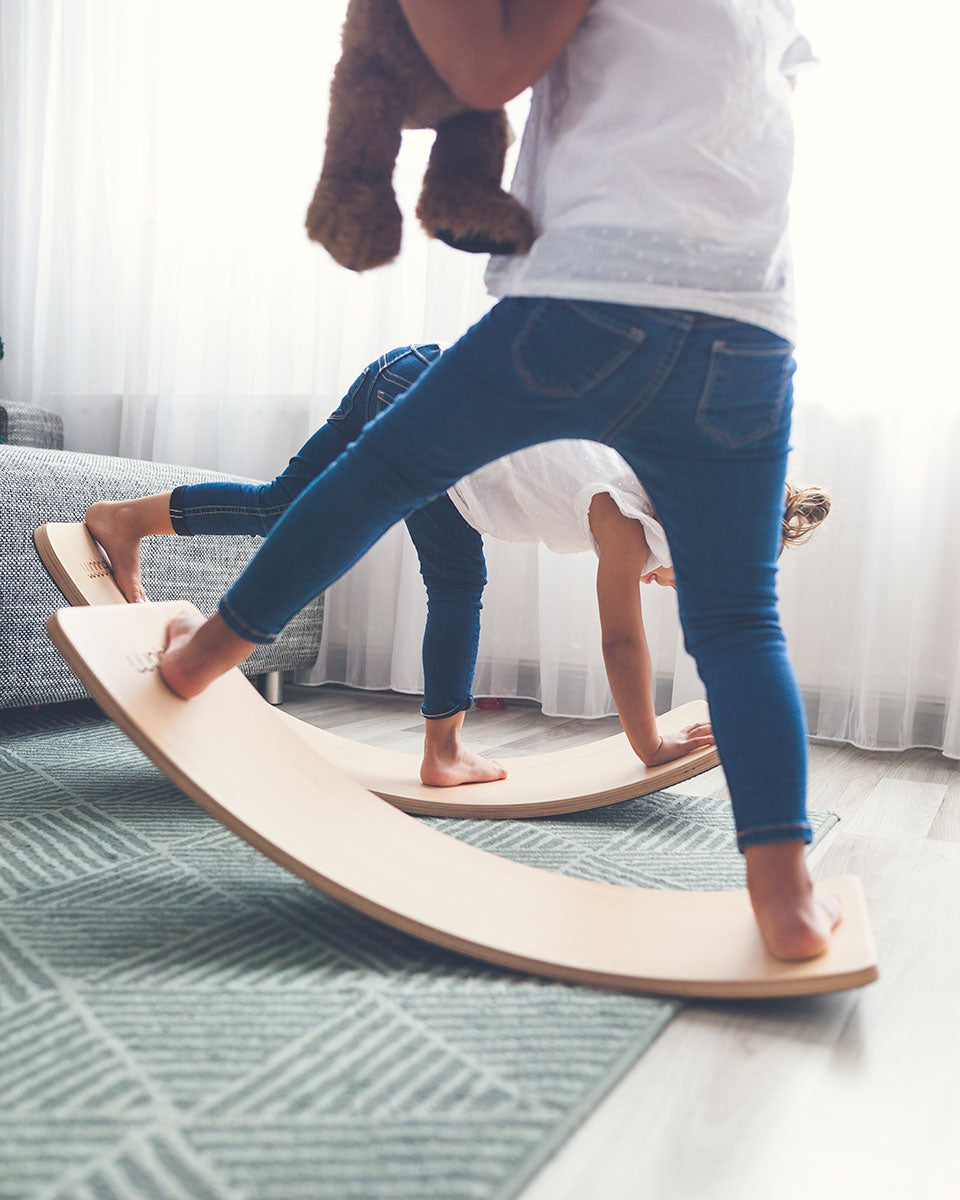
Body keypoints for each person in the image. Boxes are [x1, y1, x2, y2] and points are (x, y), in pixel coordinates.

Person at [138, 0, 838, 962]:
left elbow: (484, 76)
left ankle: (197, 659)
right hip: (752, 323)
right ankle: (787, 900)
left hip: (597, 290)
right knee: (740, 620)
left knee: (386, 467)